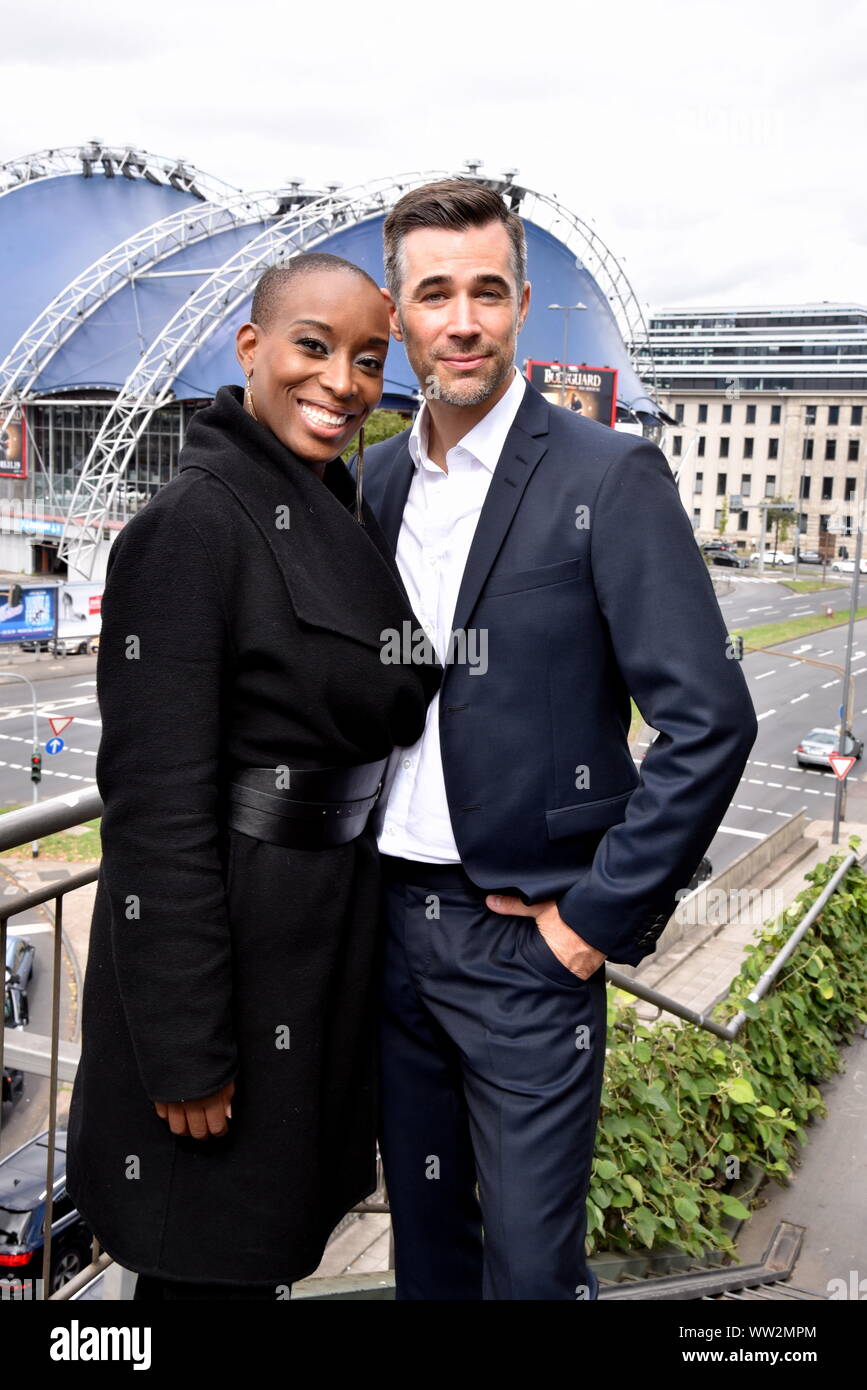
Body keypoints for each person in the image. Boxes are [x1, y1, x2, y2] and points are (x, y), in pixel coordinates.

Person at [354, 180, 758, 1300]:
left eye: (488, 290)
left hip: (524, 951)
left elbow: (711, 720)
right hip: (389, 933)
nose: (465, 319)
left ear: (524, 304)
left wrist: (590, 925)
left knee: (532, 1275)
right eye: (436, 293)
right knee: (428, 1260)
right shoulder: (375, 480)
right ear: (401, 316)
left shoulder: (607, 473)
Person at [65, 251, 440, 1301]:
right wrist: (186, 1048)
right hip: (230, 964)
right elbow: (156, 808)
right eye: (313, 347)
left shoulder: (332, 504)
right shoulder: (193, 523)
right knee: (203, 1262)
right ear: (252, 349)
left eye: (368, 360)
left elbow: (397, 687)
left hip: (318, 946)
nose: (342, 382)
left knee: (257, 1258)